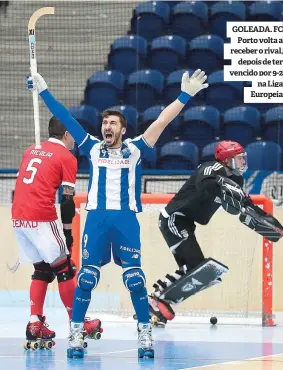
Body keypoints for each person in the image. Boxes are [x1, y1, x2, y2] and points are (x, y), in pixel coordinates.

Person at [27, 69, 208, 358]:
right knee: (85, 278)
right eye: (104, 123)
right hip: (96, 220)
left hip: (125, 221)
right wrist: (44, 90)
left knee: (135, 280)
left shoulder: (136, 149)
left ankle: (145, 334)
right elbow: (66, 118)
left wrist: (185, 95)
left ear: (123, 130)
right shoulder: (90, 147)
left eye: (112, 123)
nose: (106, 126)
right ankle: (75, 333)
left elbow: (162, 121)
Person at [147, 140, 283, 327]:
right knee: (198, 268)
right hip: (173, 218)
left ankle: (158, 304)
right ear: (227, 160)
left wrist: (258, 215)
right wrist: (226, 186)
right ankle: (155, 300)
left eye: (244, 158)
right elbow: (206, 185)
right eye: (239, 159)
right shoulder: (211, 167)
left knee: (199, 272)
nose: (243, 162)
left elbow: (237, 206)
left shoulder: (237, 180)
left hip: (185, 221)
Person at [12, 117, 101, 349]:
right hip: (41, 216)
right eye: (73, 134)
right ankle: (77, 324)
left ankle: (35, 323)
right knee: (65, 268)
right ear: (66, 134)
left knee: (42, 269)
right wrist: (68, 233)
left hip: (18, 217)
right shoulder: (67, 157)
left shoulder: (32, 149)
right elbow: (67, 201)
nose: (76, 139)